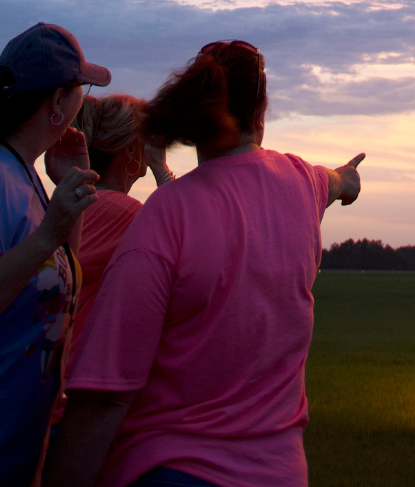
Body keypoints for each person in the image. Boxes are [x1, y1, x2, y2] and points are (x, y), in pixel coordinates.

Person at [44, 40, 363, 487]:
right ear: (261, 113)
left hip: (171, 471)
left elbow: (103, 395)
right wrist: (349, 180)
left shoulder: (165, 216)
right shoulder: (302, 183)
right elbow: (336, 181)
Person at [0, 22, 108, 485]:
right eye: (80, 88)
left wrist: (72, 187)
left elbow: (57, 281)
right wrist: (47, 236)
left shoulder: (24, 175)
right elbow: (40, 250)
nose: (84, 99)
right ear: (57, 102)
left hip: (20, 447)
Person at [47, 95, 175, 428]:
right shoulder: (127, 216)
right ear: (131, 151)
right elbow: (191, 238)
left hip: (40, 389)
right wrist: (163, 171)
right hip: (75, 403)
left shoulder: (67, 206)